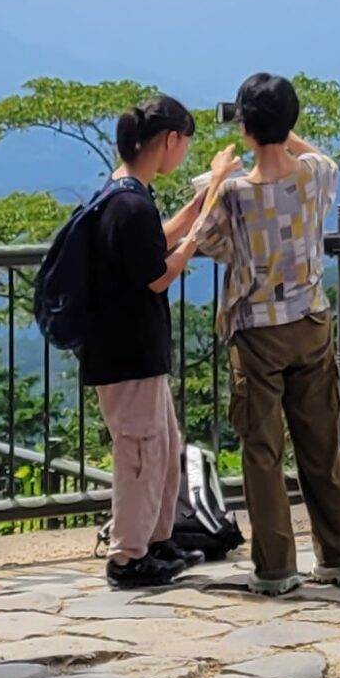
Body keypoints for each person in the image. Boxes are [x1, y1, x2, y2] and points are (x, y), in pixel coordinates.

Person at [190, 73, 340, 596]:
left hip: (257, 332)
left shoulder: (236, 194)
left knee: (263, 452)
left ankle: (275, 568)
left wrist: (219, 175)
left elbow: (205, 240)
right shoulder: (315, 177)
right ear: (290, 123)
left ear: (244, 127)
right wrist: (282, 133)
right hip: (311, 322)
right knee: (320, 444)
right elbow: (320, 157)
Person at [83, 95, 238, 588]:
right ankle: (127, 558)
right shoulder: (129, 204)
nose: (183, 155)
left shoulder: (124, 192)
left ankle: (157, 541)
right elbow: (156, 275)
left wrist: (197, 206)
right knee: (141, 452)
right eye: (183, 145)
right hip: (126, 353)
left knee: (164, 446)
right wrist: (199, 233)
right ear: (169, 140)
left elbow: (152, 245)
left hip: (130, 350)